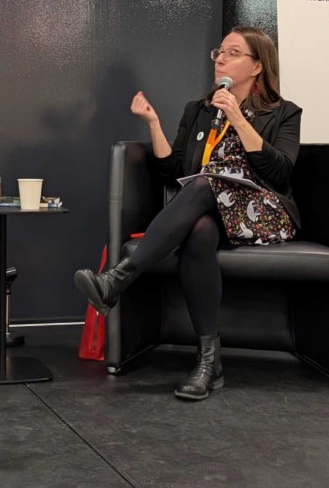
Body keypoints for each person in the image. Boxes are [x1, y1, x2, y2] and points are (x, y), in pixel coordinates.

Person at [74, 26, 302, 401]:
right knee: (199, 230)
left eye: (233, 53)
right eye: (219, 52)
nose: (221, 59)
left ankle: (117, 279)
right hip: (211, 207)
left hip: (264, 211)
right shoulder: (199, 110)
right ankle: (209, 363)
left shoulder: (282, 112)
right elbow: (173, 170)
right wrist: (153, 123)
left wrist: (238, 118)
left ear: (257, 66)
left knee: (202, 184)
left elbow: (280, 172)